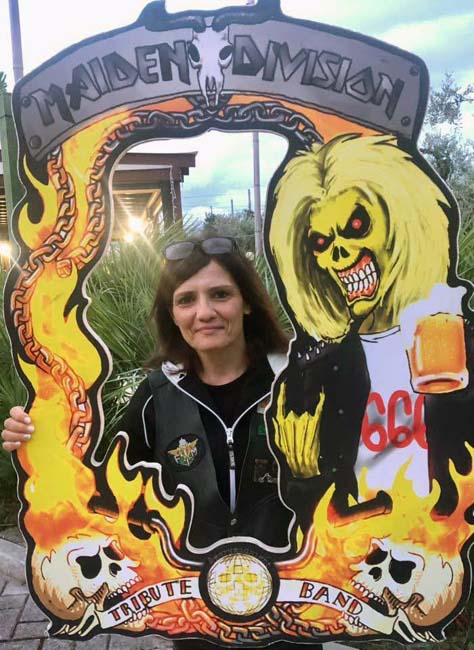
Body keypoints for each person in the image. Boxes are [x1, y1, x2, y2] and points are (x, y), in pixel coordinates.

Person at [3, 235, 322, 649]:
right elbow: (109, 491)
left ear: (246, 302)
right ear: (172, 314)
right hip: (195, 613)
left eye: (220, 294)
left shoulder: (298, 384)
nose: (203, 312)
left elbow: (356, 476)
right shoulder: (157, 395)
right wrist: (38, 444)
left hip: (293, 609)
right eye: (186, 300)